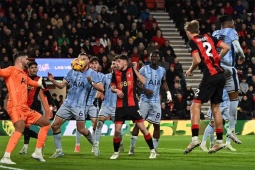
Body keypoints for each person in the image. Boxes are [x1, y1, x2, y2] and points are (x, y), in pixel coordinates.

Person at [183, 20, 230, 154]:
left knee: (195, 105)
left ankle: (195, 138)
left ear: (188, 33)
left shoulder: (193, 42)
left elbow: (197, 60)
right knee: (215, 107)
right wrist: (217, 59)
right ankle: (219, 141)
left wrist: (190, 70)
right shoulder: (209, 37)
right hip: (220, 74)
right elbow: (226, 47)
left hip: (210, 75)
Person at [48, 53, 104, 158]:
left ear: (88, 61)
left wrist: (91, 82)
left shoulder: (93, 73)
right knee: (54, 126)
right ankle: (59, 150)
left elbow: (101, 88)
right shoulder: (73, 71)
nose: (80, 61)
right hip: (67, 103)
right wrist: (52, 80)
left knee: (81, 130)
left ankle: (94, 144)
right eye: (79, 59)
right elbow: (61, 86)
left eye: (83, 59)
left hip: (80, 106)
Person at [0, 52, 50, 164]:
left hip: (25, 107)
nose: (28, 61)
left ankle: (37, 152)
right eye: (26, 59)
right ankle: (6, 157)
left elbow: (32, 82)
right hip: (15, 105)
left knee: (46, 123)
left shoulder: (23, 74)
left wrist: (39, 83)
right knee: (20, 127)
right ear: (21, 59)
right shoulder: (11, 69)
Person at [110, 55, 156, 159]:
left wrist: (135, 70)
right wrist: (116, 90)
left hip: (133, 106)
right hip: (120, 106)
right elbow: (112, 86)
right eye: (116, 61)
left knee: (143, 129)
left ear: (125, 62)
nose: (116, 63)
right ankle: (116, 152)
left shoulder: (132, 70)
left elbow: (144, 81)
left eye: (118, 61)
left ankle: (152, 151)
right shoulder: (115, 73)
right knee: (117, 131)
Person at [128, 51, 172, 155]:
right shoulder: (144, 69)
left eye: (156, 56)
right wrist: (144, 89)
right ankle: (132, 148)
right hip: (144, 100)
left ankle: (154, 149)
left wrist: (168, 92)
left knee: (157, 125)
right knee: (138, 124)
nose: (154, 58)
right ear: (149, 58)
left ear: (159, 58)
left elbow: (163, 81)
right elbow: (136, 83)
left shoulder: (162, 70)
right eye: (152, 57)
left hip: (156, 101)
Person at [212, 15, 245, 144]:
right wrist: (241, 56)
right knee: (234, 98)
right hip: (228, 69)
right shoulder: (231, 31)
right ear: (230, 24)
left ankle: (215, 134)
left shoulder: (215, 33)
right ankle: (231, 129)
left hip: (216, 69)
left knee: (217, 101)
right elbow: (236, 47)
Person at [19, 61, 55, 155]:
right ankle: (27, 146)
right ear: (28, 69)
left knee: (43, 126)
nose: (34, 69)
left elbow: (46, 92)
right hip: (24, 107)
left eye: (35, 67)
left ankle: (35, 147)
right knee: (23, 128)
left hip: (35, 106)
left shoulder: (40, 79)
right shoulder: (23, 78)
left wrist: (52, 104)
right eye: (32, 67)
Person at [93, 57, 124, 157]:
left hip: (117, 106)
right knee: (99, 124)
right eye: (113, 64)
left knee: (117, 129)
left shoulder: (122, 78)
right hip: (106, 105)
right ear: (111, 66)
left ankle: (120, 142)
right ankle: (96, 146)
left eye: (116, 64)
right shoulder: (105, 77)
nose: (114, 66)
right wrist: (95, 98)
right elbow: (101, 89)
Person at [74, 56, 105, 153]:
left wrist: (96, 95)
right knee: (80, 124)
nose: (94, 65)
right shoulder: (84, 73)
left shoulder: (101, 76)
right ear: (89, 64)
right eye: (92, 63)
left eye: (96, 63)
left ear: (99, 65)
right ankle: (77, 145)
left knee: (95, 123)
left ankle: (94, 145)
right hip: (82, 104)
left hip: (93, 103)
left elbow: (101, 89)